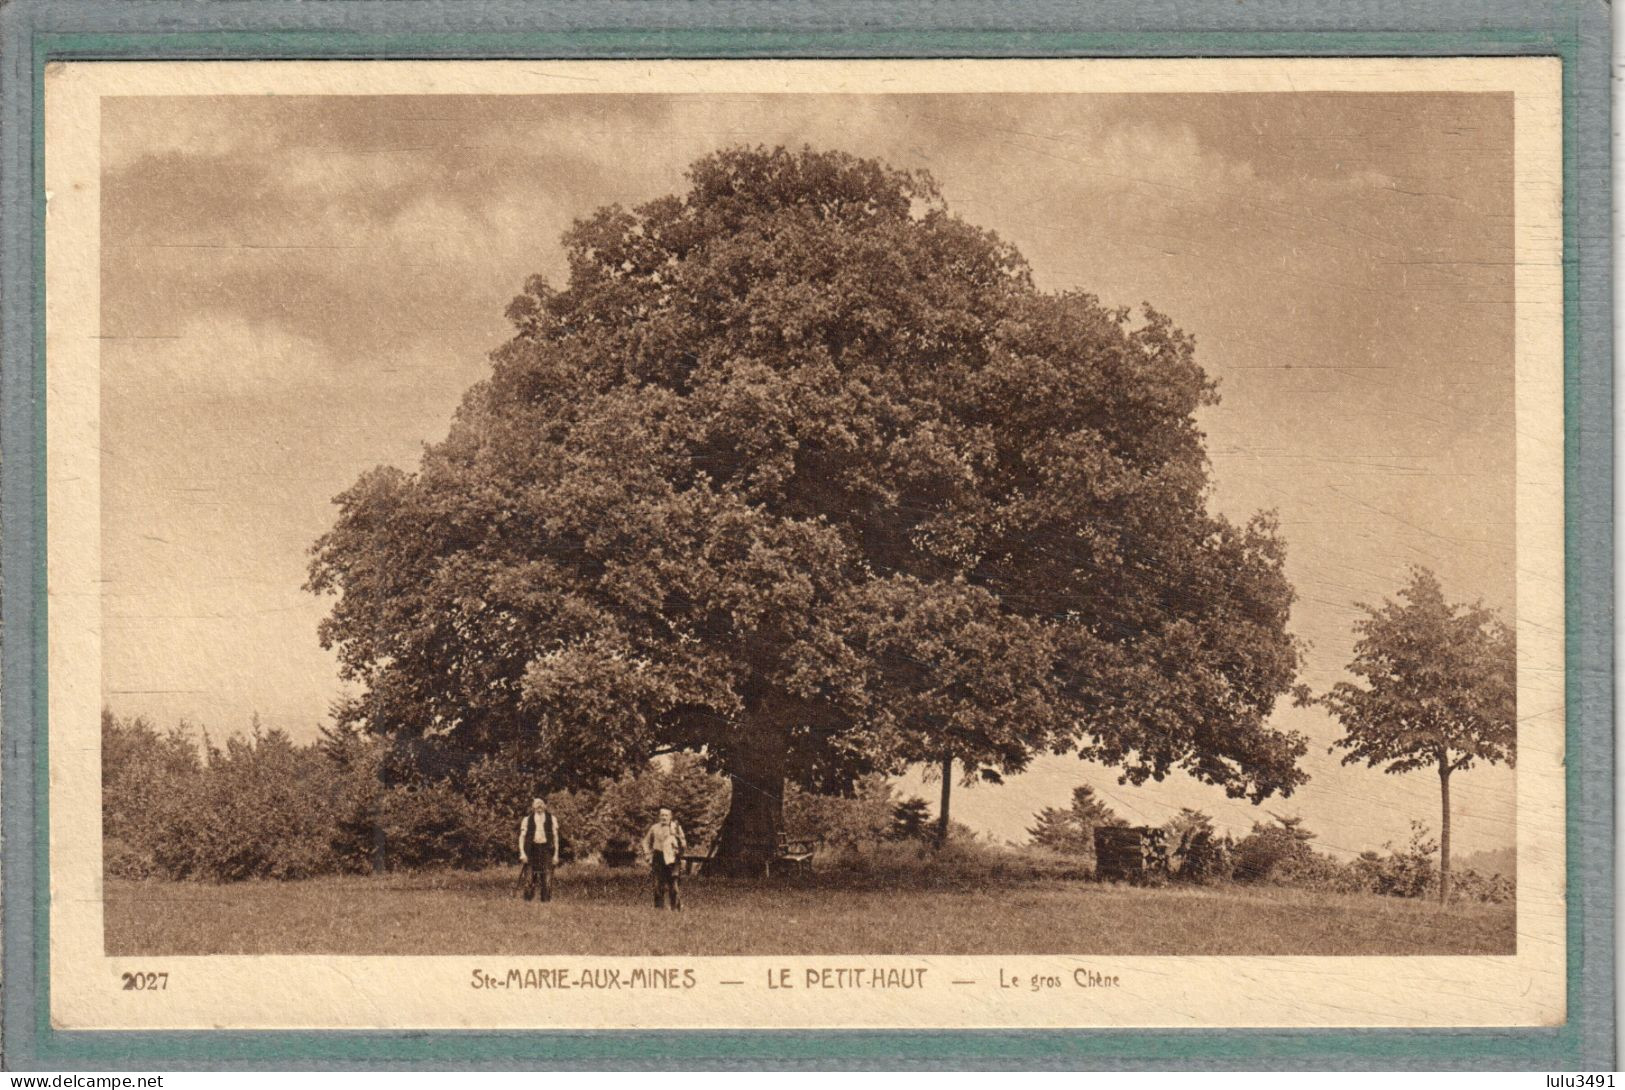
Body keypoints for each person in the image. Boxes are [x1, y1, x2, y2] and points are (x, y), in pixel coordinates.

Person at [641, 807, 687, 911]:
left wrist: (679, 851)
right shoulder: (654, 827)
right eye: (662, 815)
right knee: (657, 884)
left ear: (670, 816)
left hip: (672, 858)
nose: (664, 817)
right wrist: (648, 855)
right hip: (658, 857)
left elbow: (683, 843)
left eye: (666, 815)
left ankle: (675, 907)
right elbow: (645, 842)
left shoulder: (675, 827)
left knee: (674, 885)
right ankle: (659, 908)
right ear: (659, 816)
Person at [518, 797, 560, 903]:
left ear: (545, 806)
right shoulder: (527, 819)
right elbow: (522, 837)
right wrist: (522, 853)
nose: (539, 806)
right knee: (529, 878)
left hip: (546, 850)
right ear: (533, 806)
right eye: (537, 803)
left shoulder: (552, 819)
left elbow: (555, 837)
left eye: (541, 803)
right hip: (531, 850)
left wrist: (555, 855)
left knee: (547, 879)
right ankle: (528, 903)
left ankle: (545, 903)